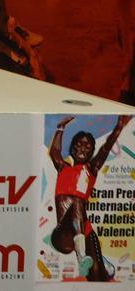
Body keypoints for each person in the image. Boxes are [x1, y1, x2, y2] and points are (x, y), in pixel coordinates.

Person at [49, 115, 131, 280]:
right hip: (63, 236)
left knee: (97, 274)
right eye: (78, 145)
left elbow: (105, 149)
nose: (81, 148)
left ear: (91, 152)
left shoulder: (91, 169)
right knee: (78, 201)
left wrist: (120, 125)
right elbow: (54, 151)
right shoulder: (62, 168)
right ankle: (81, 256)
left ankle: (94, 264)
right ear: (72, 149)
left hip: (84, 231)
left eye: (87, 146)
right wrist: (60, 128)